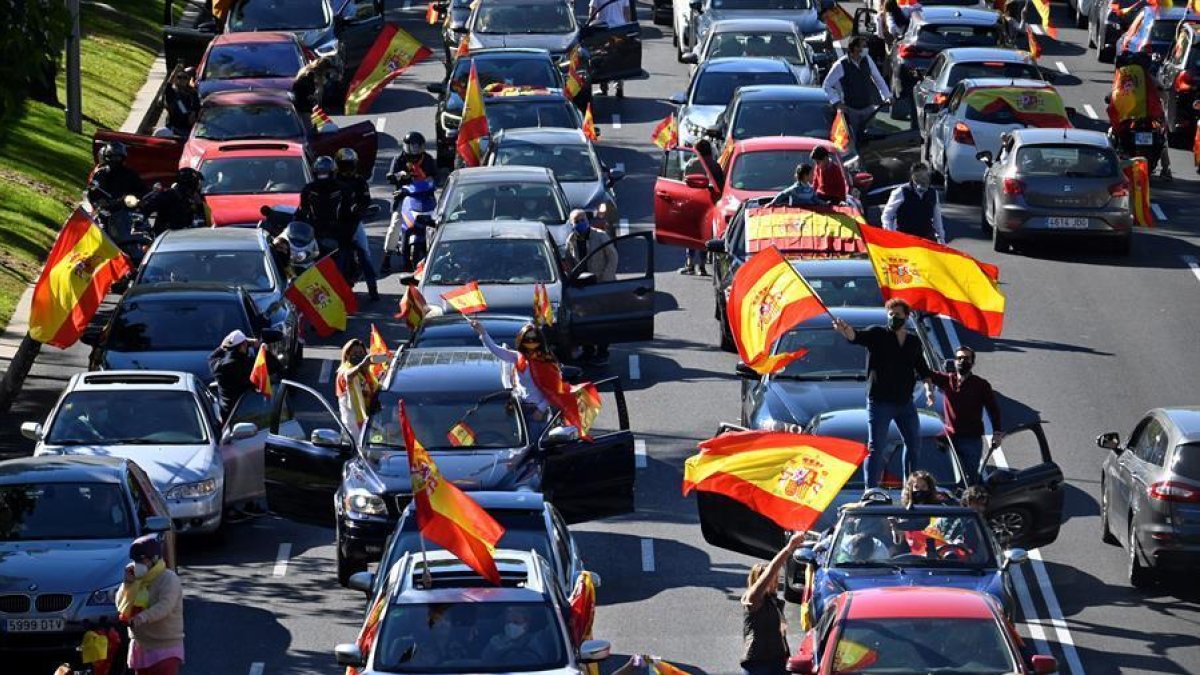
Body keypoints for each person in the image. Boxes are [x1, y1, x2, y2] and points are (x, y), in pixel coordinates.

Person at [832, 299, 933, 488]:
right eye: (891, 314)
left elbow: (922, 368)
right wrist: (845, 329)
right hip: (880, 403)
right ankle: (870, 490)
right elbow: (856, 337)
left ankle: (910, 486)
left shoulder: (913, 341)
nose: (893, 318)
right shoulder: (877, 334)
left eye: (898, 315)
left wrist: (928, 390)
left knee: (913, 445)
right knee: (876, 448)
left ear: (907, 316)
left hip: (905, 403)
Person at [924, 346, 1002, 484]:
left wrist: (997, 433)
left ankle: (974, 503)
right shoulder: (947, 380)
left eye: (966, 358)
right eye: (959, 358)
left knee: (971, 479)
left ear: (972, 363)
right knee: (946, 477)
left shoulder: (981, 385)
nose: (962, 361)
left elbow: (993, 410)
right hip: (949, 439)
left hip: (971, 440)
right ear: (954, 361)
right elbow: (924, 373)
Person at [116, 535, 184, 675]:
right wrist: (128, 584)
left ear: (154, 559)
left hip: (165, 647)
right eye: (135, 561)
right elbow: (120, 604)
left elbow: (165, 606)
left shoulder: (168, 579)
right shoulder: (136, 580)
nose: (137, 564)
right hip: (141, 646)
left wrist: (142, 617)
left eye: (142, 560)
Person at [740, 533, 804, 675]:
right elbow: (770, 571)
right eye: (770, 579)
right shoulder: (752, 599)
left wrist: (788, 657)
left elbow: (781, 634)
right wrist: (789, 548)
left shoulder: (775, 602)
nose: (773, 581)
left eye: (775, 579)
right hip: (757, 664)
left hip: (778, 661)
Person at [565, 209, 619, 365]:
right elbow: (569, 261)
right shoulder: (571, 240)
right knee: (585, 320)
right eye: (576, 221)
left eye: (582, 220)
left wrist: (606, 278)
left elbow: (613, 257)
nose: (580, 223)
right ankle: (588, 350)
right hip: (583, 287)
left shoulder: (600, 236)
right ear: (571, 224)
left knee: (602, 321)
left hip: (601, 284)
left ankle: (602, 352)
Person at [1107, 52, 1171, 180]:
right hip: (1148, 117)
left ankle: (1110, 166)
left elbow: (1115, 94)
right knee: (1162, 139)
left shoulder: (1123, 79)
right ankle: (1166, 170)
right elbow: (1163, 92)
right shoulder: (1149, 78)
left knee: (1111, 134)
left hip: (1132, 119)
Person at [383, 131, 439, 274]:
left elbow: (435, 178)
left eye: (417, 147)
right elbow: (390, 177)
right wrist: (398, 176)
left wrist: (431, 181)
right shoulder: (399, 159)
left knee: (438, 222)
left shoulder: (428, 160)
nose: (415, 150)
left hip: (426, 197)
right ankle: (387, 257)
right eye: (412, 147)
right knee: (395, 224)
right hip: (405, 198)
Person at [822, 36, 892, 146]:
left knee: (871, 139)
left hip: (868, 109)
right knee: (853, 141)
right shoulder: (841, 65)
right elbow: (827, 85)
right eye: (863, 46)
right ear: (854, 48)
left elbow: (878, 78)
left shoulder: (867, 60)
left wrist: (887, 96)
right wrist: (837, 103)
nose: (866, 49)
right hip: (851, 111)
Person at [335, 147, 380, 301]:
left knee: (364, 252)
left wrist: (360, 210)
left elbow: (366, 201)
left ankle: (373, 288)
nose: (347, 169)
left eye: (350, 165)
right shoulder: (333, 181)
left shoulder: (360, 181)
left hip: (354, 223)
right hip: (337, 224)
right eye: (344, 165)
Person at [880, 163, 944, 243]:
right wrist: (891, 235)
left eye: (926, 176)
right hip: (906, 240)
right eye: (920, 176)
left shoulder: (933, 193)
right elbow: (887, 216)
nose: (924, 179)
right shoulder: (901, 192)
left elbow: (937, 220)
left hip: (927, 240)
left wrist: (942, 240)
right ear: (913, 177)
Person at [208, 330, 258, 422]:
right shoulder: (248, 363)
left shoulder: (219, 366)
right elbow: (272, 365)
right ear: (242, 346)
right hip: (248, 411)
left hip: (227, 414)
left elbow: (212, 358)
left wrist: (222, 347)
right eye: (245, 344)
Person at [335, 338, 380, 440]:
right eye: (354, 352)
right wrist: (360, 366)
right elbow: (348, 376)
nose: (358, 355)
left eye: (361, 352)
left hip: (369, 419)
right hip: (354, 424)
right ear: (347, 355)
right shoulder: (343, 371)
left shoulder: (367, 373)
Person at [139, 168, 206, 235]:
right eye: (196, 183)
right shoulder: (169, 195)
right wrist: (158, 227)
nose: (198, 187)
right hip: (167, 236)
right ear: (191, 184)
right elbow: (146, 204)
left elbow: (201, 220)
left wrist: (199, 204)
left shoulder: (188, 199)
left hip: (184, 235)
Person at [296, 155, 345, 247]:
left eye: (325, 173)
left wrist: (355, 215)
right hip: (314, 233)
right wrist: (294, 223)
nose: (323, 176)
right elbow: (302, 210)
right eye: (320, 173)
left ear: (333, 172)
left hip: (340, 232)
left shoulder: (343, 189)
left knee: (361, 250)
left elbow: (350, 210)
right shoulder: (308, 189)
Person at [88, 141, 148, 211]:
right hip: (106, 210)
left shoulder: (130, 174)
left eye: (118, 157)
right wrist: (100, 202)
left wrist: (136, 198)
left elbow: (142, 189)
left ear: (123, 158)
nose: (116, 160)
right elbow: (93, 192)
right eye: (113, 157)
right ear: (108, 157)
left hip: (126, 209)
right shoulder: (101, 173)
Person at [589, 0, 632, 98]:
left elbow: (592, 11)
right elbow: (626, 12)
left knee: (603, 58)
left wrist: (589, 27)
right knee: (618, 59)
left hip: (602, 30)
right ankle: (619, 87)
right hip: (619, 29)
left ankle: (604, 87)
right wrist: (628, 29)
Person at [481, 606, 550, 664]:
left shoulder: (538, 639)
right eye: (508, 622)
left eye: (516, 622)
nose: (511, 625)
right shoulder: (496, 641)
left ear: (527, 624)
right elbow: (486, 662)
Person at [291, 56, 337, 121]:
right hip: (303, 106)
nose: (326, 74)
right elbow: (308, 93)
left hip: (300, 103)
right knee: (309, 126)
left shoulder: (307, 69)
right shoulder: (309, 75)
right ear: (323, 69)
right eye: (326, 71)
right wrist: (314, 99)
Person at [163, 67, 199, 137]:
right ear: (175, 79)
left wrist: (194, 113)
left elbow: (197, 107)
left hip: (189, 129)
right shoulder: (173, 93)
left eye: (185, 77)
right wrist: (175, 71)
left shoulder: (193, 93)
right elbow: (168, 85)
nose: (182, 79)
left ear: (188, 80)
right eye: (179, 77)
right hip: (174, 128)